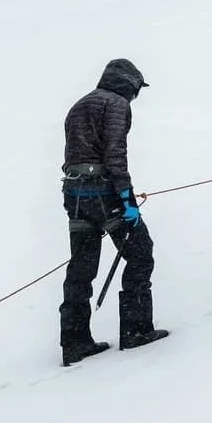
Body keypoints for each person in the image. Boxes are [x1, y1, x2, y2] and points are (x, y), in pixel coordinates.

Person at [58, 58, 171, 366]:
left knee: (81, 268)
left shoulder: (80, 104)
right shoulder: (117, 104)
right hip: (105, 193)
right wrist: (127, 200)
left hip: (75, 193)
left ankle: (74, 342)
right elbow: (115, 156)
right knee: (140, 253)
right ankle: (136, 330)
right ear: (128, 84)